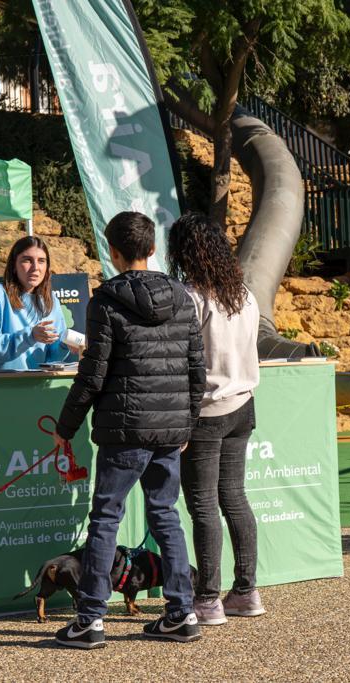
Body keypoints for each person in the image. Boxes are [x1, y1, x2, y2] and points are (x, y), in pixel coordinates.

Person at [51, 211, 206, 649]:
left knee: (105, 519)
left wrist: (66, 427)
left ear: (113, 252)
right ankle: (181, 612)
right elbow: (198, 368)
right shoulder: (181, 296)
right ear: (152, 249)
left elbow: (92, 375)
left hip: (124, 430)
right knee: (165, 516)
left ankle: (90, 620)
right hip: (170, 429)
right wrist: (187, 422)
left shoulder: (105, 300)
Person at [168, 212, 264, 626]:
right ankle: (245, 591)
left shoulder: (191, 297)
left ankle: (208, 598)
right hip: (243, 404)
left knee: (204, 505)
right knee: (234, 498)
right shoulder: (243, 293)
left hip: (205, 411)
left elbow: (182, 360)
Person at [0, 236, 74, 371]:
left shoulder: (52, 299)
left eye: (41, 261)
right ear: (14, 266)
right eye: (27, 260)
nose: (35, 268)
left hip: (37, 385)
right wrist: (30, 336)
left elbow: (52, 358)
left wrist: (66, 345)